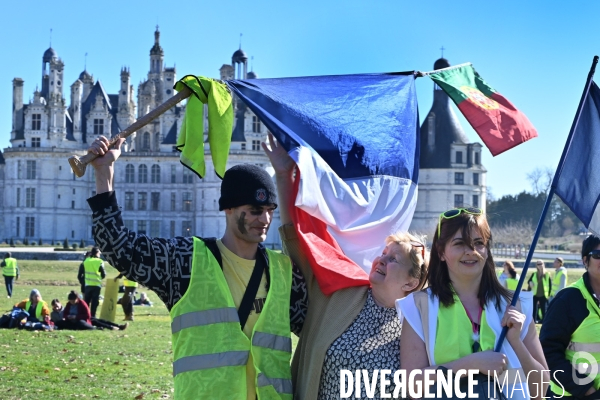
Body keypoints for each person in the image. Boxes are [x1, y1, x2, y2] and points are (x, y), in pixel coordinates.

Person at [86, 136, 307, 399]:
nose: (265, 219)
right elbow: (118, 247)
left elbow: (315, 327)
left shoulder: (283, 271)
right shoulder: (185, 261)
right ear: (228, 208)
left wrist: (286, 178)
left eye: (270, 210)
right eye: (255, 210)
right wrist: (104, 172)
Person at [263, 133, 428, 399]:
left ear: (411, 282)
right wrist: (284, 176)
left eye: (394, 259)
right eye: (384, 253)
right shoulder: (339, 292)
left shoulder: (417, 326)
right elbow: (299, 238)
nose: (382, 260)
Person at [398, 208, 549, 399]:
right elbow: (411, 387)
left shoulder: (517, 305)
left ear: (487, 251)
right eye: (460, 243)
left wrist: (516, 343)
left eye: (479, 243)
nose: (471, 251)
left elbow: (541, 391)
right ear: (441, 252)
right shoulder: (418, 306)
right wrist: (470, 364)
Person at [540, 235, 600, 398]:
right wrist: (585, 389)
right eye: (598, 255)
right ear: (585, 261)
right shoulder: (567, 300)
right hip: (574, 394)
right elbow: (547, 351)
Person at [55, 291, 128, 331]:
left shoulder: (82, 303)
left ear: (77, 299)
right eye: (70, 301)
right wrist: (68, 317)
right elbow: (65, 314)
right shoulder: (68, 304)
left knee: (99, 321)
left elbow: (87, 315)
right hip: (71, 321)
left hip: (83, 320)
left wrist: (76, 317)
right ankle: (114, 327)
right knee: (59, 323)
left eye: (73, 301)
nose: (72, 302)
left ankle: (115, 326)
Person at [82, 247, 106, 318]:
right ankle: (92, 316)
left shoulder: (86, 261)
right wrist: (100, 278)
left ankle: (85, 315)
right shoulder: (99, 261)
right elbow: (103, 274)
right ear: (96, 253)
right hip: (96, 285)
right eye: (99, 253)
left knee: (86, 301)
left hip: (87, 284)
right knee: (94, 302)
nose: (100, 254)